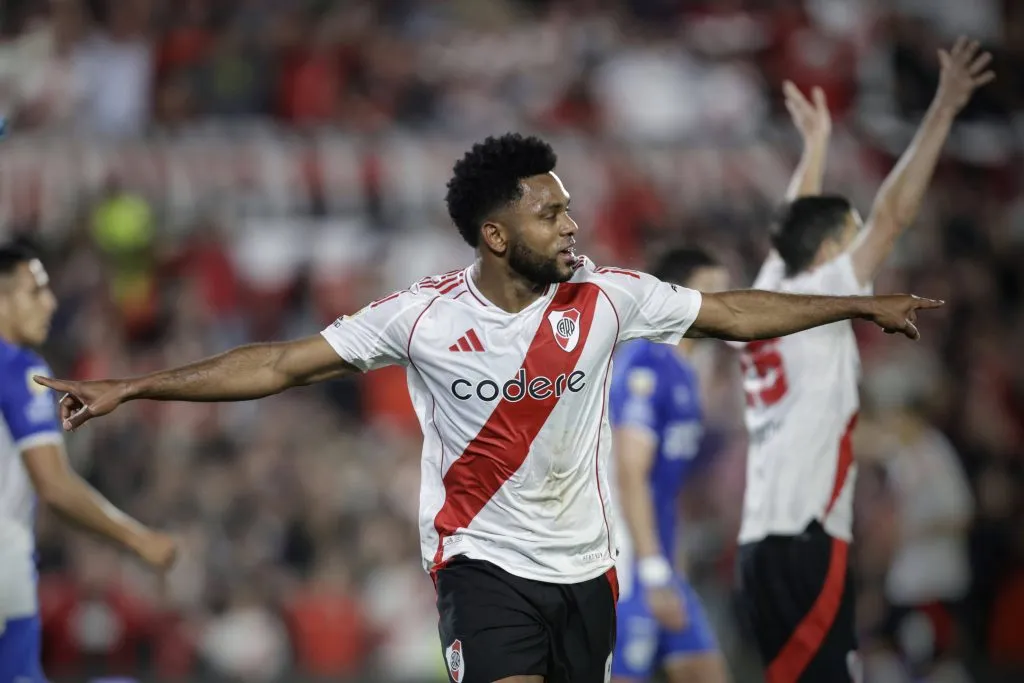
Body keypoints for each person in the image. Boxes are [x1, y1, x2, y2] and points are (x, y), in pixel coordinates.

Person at [39, 133, 942, 683]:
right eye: (551, 214)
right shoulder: (423, 316)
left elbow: (734, 312)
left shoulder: (608, 297)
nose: (572, 224)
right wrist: (134, 385)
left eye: (569, 207)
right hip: (482, 566)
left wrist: (855, 304)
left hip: (587, 571)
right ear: (497, 234)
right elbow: (278, 363)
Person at [733, 38, 993, 683]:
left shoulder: (768, 291)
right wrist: (943, 109)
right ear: (828, 253)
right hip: (808, 537)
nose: (861, 249)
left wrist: (816, 146)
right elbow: (895, 214)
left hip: (760, 544)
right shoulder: (824, 291)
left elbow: (790, 226)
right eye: (849, 239)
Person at [0, 241, 176, 683]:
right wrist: (136, 538)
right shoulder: (17, 368)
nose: (49, 303)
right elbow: (54, 484)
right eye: (35, 292)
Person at [608, 247, 731, 683]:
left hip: (659, 561)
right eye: (710, 291)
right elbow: (630, 476)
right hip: (626, 564)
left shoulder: (687, 373)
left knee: (706, 672)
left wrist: (671, 564)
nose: (723, 303)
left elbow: (665, 488)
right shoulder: (644, 367)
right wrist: (653, 571)